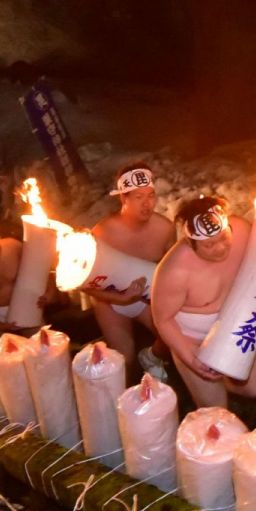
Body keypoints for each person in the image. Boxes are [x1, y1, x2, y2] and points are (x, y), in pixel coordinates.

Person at [152, 196, 256, 408]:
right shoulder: (174, 271)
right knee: (216, 410)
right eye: (209, 245)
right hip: (192, 337)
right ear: (191, 242)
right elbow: (162, 319)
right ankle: (193, 379)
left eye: (224, 237)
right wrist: (189, 356)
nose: (220, 248)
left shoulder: (242, 230)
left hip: (234, 322)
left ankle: (219, 378)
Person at [85, 163, 175, 380]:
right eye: (138, 197)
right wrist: (120, 297)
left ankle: (152, 357)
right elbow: (86, 285)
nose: (147, 204)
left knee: (174, 338)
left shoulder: (164, 228)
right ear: (123, 199)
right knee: (124, 359)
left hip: (146, 297)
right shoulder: (103, 232)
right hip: (111, 301)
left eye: (150, 196)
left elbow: (173, 270)